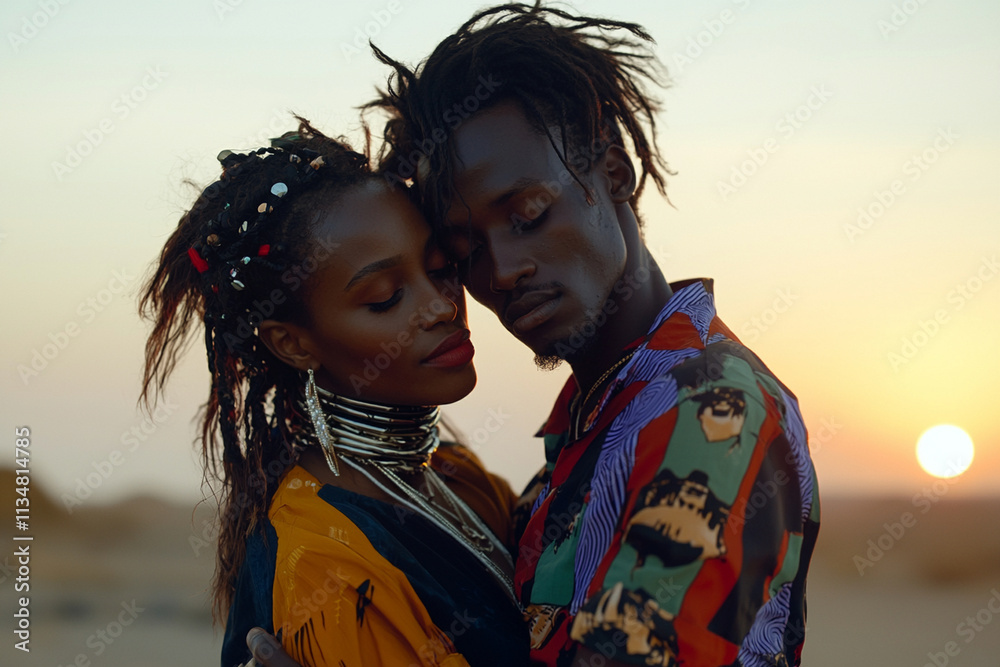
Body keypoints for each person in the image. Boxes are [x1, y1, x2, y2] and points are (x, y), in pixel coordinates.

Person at [246, 3, 820, 666]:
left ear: (613, 173)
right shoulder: (589, 429)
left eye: (527, 214)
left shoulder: (711, 412)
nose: (504, 269)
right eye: (465, 253)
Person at [139, 120, 529, 666]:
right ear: (293, 344)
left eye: (441, 268)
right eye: (385, 297)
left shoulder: (454, 473)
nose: (442, 305)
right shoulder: (327, 565)